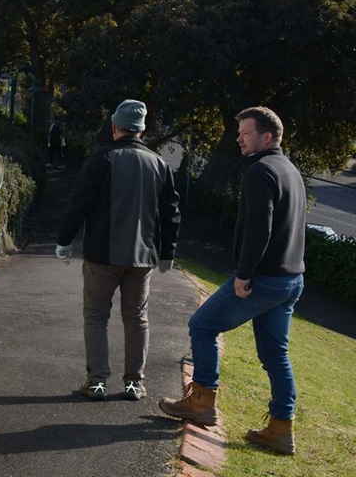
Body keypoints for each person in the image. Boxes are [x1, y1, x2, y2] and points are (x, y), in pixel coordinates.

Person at [158, 106, 305, 456]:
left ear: (266, 137)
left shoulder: (261, 171)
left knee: (203, 325)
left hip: (263, 278)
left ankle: (202, 402)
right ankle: (281, 430)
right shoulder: (289, 170)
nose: (238, 138)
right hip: (290, 280)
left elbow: (260, 228)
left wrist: (244, 275)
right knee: (276, 356)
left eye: (245, 133)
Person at [56, 99, 181, 402]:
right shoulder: (159, 164)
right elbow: (171, 213)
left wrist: (64, 239)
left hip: (102, 255)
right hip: (143, 257)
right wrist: (167, 252)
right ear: (142, 129)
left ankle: (97, 383)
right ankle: (134, 384)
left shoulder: (101, 158)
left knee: (96, 317)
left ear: (114, 126)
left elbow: (79, 203)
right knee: (137, 319)